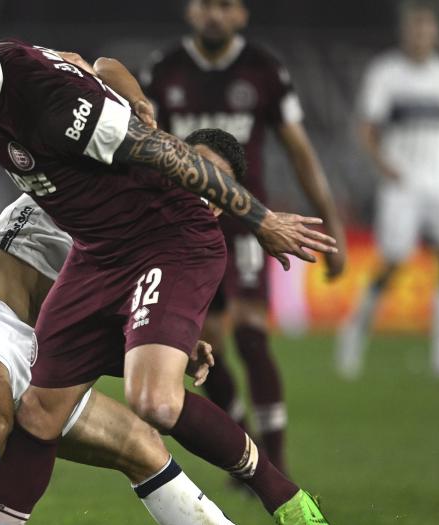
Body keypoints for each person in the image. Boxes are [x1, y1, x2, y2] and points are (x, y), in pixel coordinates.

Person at [0, 18, 335, 524]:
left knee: (153, 402)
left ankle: (288, 502)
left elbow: (166, 152)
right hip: (99, 253)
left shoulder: (48, 104)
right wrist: (136, 104)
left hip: (164, 239)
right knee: (39, 412)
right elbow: (96, 66)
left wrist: (260, 218)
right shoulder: (2, 66)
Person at [0, 128, 243, 525]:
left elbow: (108, 328)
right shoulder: (110, 163)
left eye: (212, 186)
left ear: (220, 207)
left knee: (142, 445)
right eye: (194, 169)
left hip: (45, 366)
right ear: (171, 155)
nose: (197, 187)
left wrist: (167, 340)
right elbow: (106, 71)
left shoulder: (175, 248)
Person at [141, 0, 347, 474]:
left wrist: (330, 223)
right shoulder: (163, 71)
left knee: (253, 336)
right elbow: (143, 146)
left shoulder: (264, 70)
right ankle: (241, 446)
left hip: (250, 224)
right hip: (187, 228)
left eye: (226, 5)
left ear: (241, 15)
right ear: (190, 11)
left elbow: (300, 150)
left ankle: (275, 461)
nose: (215, 14)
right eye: (206, 5)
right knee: (206, 345)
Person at [337, 0, 439, 385]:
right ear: (405, 33)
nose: (421, 35)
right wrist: (384, 166)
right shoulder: (386, 73)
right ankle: (355, 332)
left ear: (436, 34)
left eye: (427, 29)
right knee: (393, 261)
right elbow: (366, 129)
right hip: (404, 183)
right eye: (415, 28)